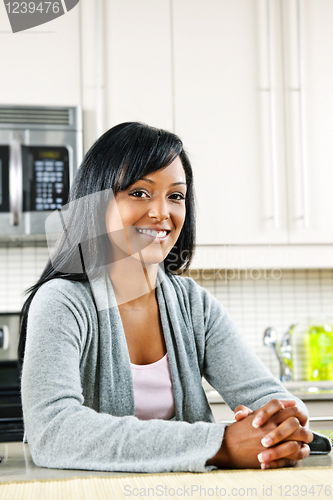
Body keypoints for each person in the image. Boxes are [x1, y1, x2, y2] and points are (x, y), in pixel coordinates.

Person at [19, 122, 312, 473]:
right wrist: (220, 444)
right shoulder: (62, 303)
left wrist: (281, 425)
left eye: (175, 196)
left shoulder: (195, 306)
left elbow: (272, 399)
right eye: (140, 193)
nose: (161, 213)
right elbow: (54, 432)